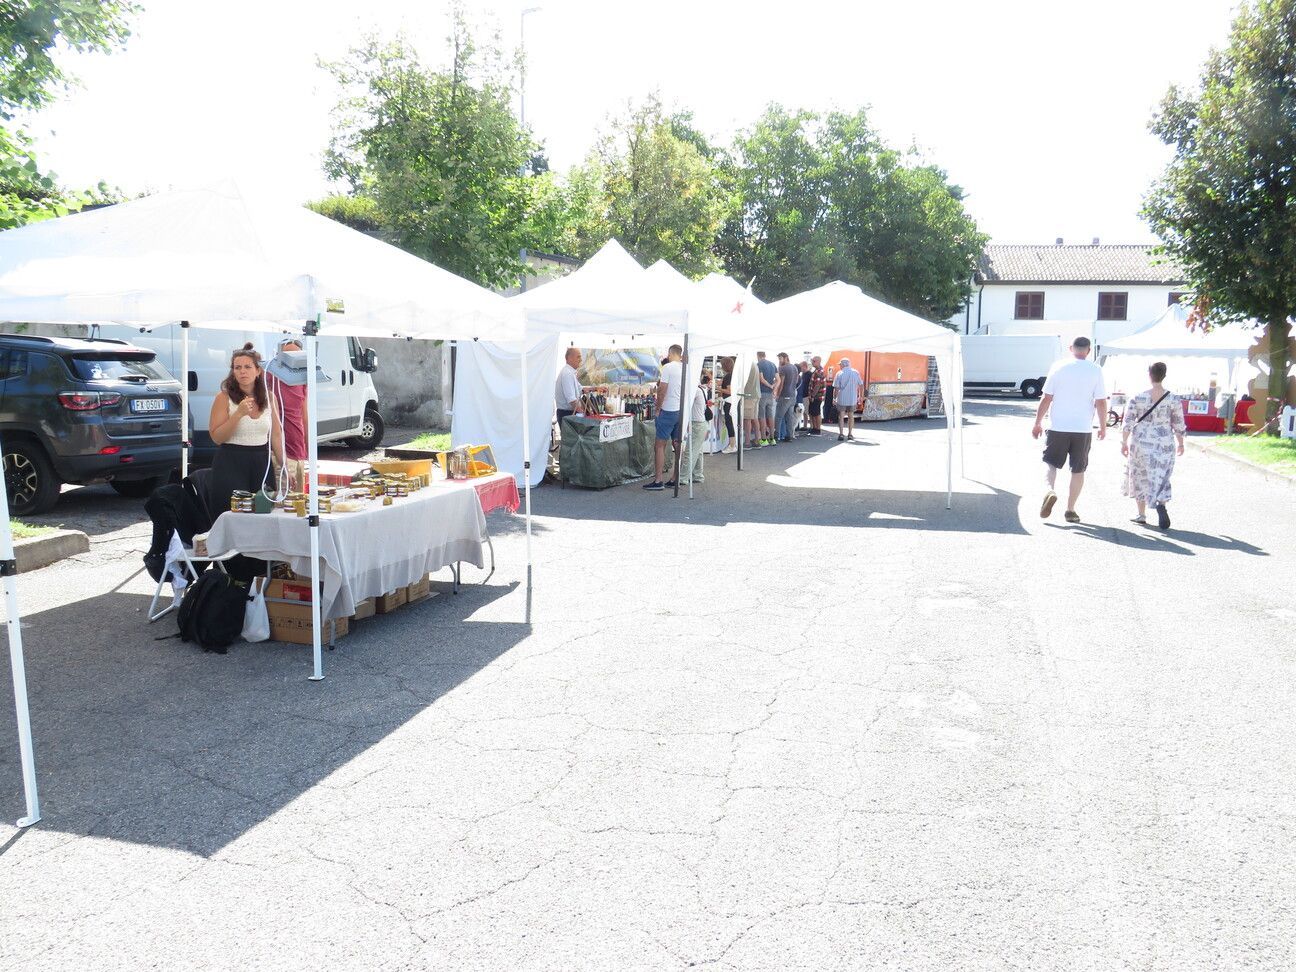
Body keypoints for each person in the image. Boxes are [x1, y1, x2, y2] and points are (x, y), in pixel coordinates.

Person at [1032, 336, 1108, 523]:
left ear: (1070, 348)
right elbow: (1100, 401)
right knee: (1078, 470)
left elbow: (1047, 398)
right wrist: (1103, 426)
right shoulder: (1096, 370)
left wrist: (1037, 422)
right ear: (1088, 351)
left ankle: (1049, 490)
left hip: (1058, 426)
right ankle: (1071, 510)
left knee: (1050, 463)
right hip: (1082, 429)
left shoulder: (1058, 367)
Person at [209, 343, 283, 515]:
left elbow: (276, 435)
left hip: (261, 461)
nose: (242, 371)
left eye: (248, 367)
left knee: (264, 511)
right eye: (238, 368)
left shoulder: (269, 397)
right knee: (234, 513)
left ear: (258, 371)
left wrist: (283, 465)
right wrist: (238, 414)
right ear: (233, 372)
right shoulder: (223, 398)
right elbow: (217, 437)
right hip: (231, 461)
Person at [1121, 361, 1186, 529]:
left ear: (1149, 375)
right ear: (1164, 376)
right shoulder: (1173, 398)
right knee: (1162, 475)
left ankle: (1141, 514)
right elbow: (1178, 423)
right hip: (1164, 442)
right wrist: (1181, 443)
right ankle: (1161, 504)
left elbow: (1128, 422)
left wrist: (1124, 442)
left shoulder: (1138, 397)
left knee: (1140, 476)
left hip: (1141, 442)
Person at [264, 338, 308, 492]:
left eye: (296, 355)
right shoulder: (270, 377)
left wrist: (308, 449)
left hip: (299, 452)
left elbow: (304, 416)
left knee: (300, 501)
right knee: (285, 501)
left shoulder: (301, 379)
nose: (292, 360)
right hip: (281, 453)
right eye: (287, 355)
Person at [643, 344, 683, 491]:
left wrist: (658, 408)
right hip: (680, 410)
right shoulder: (685, 368)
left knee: (659, 445)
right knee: (677, 444)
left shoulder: (668, 367)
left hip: (668, 409)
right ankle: (675, 478)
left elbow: (662, 390)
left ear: (670, 354)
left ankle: (659, 480)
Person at [684, 373, 710, 485]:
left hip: (697, 423)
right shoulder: (702, 389)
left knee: (690, 452)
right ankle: (697, 475)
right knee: (697, 451)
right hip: (701, 422)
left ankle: (683, 477)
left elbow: (686, 403)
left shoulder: (695, 391)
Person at [832, 357, 862, 441]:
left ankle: (841, 434)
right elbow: (861, 385)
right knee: (851, 416)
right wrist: (860, 396)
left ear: (843, 365)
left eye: (840, 364)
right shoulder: (855, 372)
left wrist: (834, 398)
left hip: (842, 398)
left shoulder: (839, 373)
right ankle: (850, 434)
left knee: (841, 416)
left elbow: (836, 388)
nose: (840, 366)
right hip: (852, 398)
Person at [774, 352, 799, 442]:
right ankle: (789, 436)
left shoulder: (782, 368)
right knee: (789, 417)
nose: (779, 361)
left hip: (784, 395)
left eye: (780, 358)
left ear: (785, 358)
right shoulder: (794, 367)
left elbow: (781, 383)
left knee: (778, 417)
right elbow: (796, 381)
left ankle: (776, 436)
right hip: (792, 395)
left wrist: (778, 394)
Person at [555, 347, 584, 425]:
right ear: (570, 358)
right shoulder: (567, 374)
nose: (581, 360)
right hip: (567, 414)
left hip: (568, 413)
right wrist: (583, 414)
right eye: (578, 357)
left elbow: (580, 388)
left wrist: (596, 388)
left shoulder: (570, 373)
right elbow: (572, 400)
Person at [756, 351, 778, 445]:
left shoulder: (759, 364)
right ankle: (772, 439)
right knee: (770, 416)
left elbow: (761, 379)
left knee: (762, 416)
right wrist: (774, 388)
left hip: (762, 393)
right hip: (770, 394)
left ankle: (764, 439)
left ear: (758, 356)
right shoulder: (773, 364)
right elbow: (778, 380)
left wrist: (769, 385)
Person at [742, 359, 762, 449]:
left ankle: (747, 443)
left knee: (747, 419)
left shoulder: (746, 364)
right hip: (756, 394)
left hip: (748, 395)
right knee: (754, 418)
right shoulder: (754, 364)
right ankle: (757, 440)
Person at [718, 356, 736, 446]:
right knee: (731, 423)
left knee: (729, 423)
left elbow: (729, 391)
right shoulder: (731, 375)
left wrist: (718, 388)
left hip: (728, 402)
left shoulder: (728, 376)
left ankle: (732, 445)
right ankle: (733, 444)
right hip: (731, 401)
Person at [807, 356, 826, 436]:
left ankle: (817, 429)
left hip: (817, 396)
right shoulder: (816, 370)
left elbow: (817, 385)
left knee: (816, 413)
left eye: (814, 361)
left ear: (818, 361)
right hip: (816, 396)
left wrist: (812, 396)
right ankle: (814, 428)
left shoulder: (819, 371)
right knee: (813, 412)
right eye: (812, 361)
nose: (812, 362)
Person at [796, 361, 811, 432]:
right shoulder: (803, 374)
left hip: (806, 395)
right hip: (802, 395)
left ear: (805, 366)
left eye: (801, 366)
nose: (800, 368)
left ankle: (807, 426)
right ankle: (804, 425)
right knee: (803, 411)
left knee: (806, 411)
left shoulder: (809, 374)